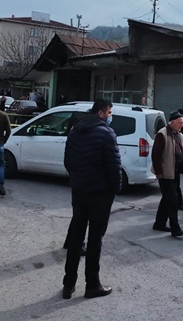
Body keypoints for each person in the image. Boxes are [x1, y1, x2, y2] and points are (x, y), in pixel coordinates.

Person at [62, 99, 121, 300]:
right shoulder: (107, 133)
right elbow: (114, 166)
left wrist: (78, 179)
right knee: (95, 240)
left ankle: (68, 284)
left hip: (79, 191)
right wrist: (115, 188)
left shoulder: (75, 130)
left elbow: (67, 161)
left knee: (76, 239)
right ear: (101, 113)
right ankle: (92, 285)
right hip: (100, 195)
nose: (111, 116)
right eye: (109, 112)